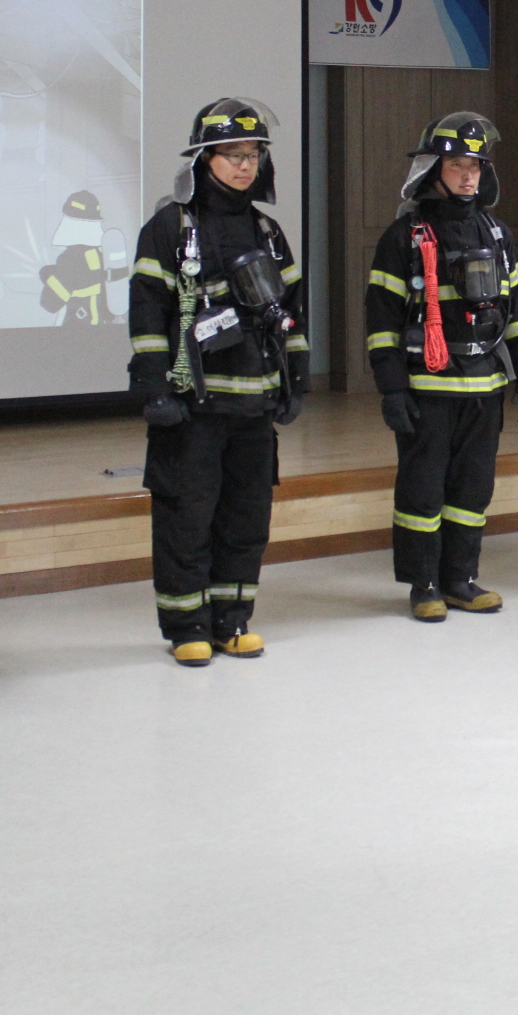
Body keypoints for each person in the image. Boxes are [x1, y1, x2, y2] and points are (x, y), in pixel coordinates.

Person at [129, 98, 308, 667]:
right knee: (186, 519)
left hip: (254, 408)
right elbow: (148, 311)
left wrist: (295, 378)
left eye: (253, 155)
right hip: (193, 410)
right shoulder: (169, 228)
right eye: (233, 154)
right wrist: (156, 389)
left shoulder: (267, 231)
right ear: (204, 159)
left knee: (246, 519)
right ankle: (187, 626)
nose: (245, 165)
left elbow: (291, 310)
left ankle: (232, 620)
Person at [364, 112, 518, 621]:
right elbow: (382, 321)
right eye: (457, 165)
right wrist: (392, 389)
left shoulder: (498, 234)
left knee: (473, 489)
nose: (469, 176)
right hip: (428, 388)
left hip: (484, 387)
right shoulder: (404, 236)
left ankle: (460, 579)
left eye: (476, 166)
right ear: (432, 169)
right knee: (423, 490)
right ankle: (423, 584)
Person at [39, 190, 129, 326]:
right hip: (105, 328)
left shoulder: (72, 258)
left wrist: (48, 276)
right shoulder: (102, 253)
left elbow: (50, 303)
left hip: (80, 331)